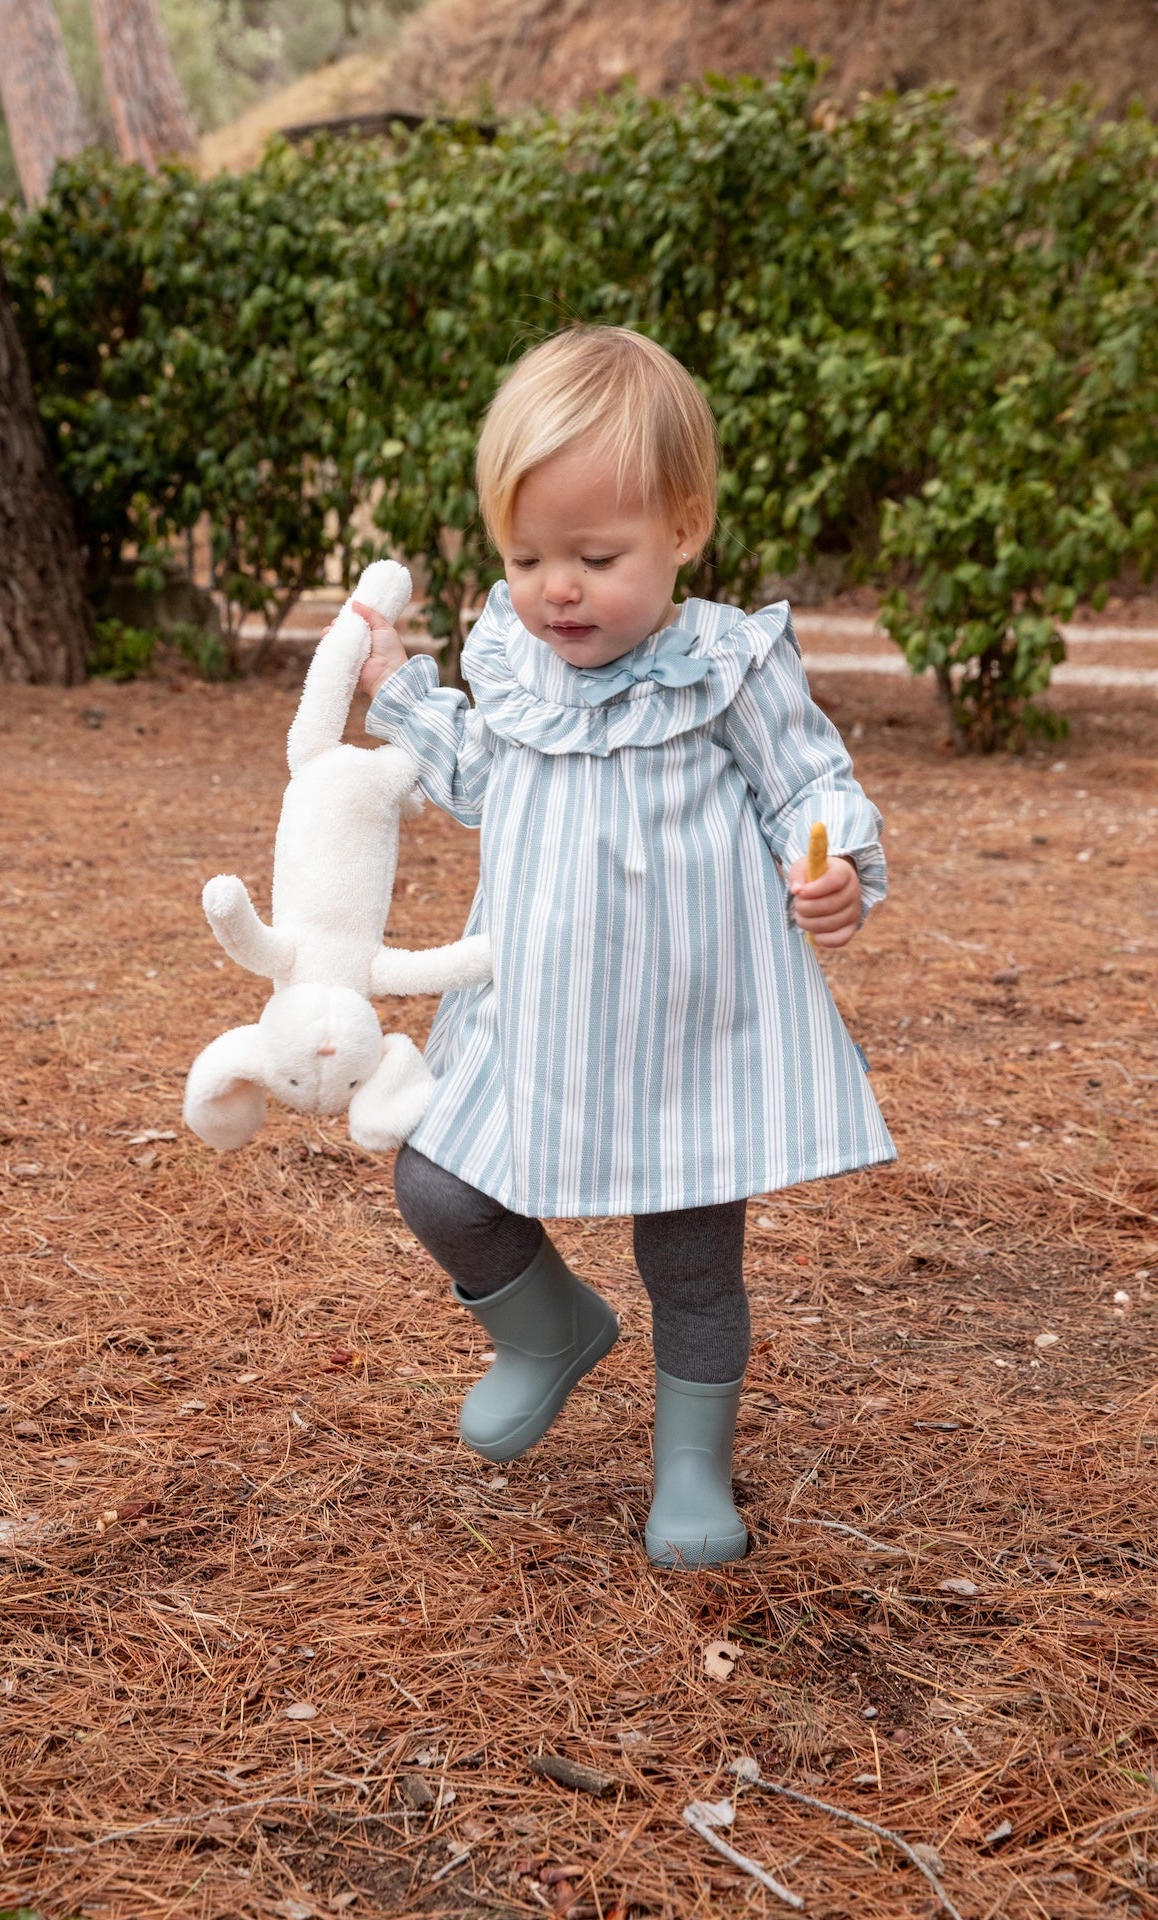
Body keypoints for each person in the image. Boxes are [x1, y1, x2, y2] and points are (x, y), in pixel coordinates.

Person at [353, 326, 895, 1568]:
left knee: (689, 1260)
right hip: (530, 1012)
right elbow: (486, 778)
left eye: (596, 557)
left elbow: (806, 784)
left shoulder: (724, 666)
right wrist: (400, 690)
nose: (557, 588)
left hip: (684, 1023)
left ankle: (691, 1462)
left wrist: (833, 873)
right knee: (437, 1181)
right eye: (526, 555)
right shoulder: (517, 659)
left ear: (683, 527)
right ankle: (546, 1328)